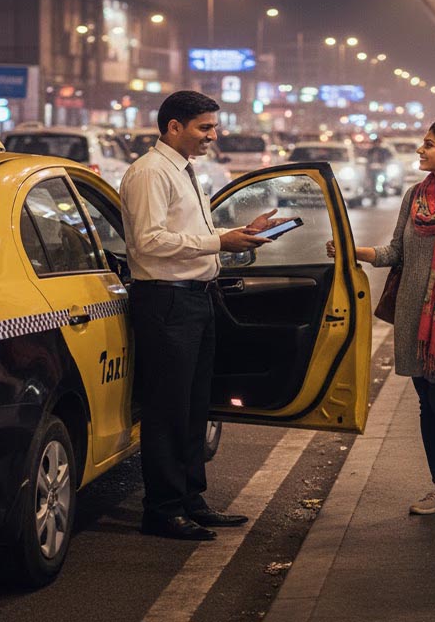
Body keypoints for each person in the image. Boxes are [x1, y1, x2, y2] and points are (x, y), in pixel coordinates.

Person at [121, 90, 282, 541]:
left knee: (194, 407)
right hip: (166, 301)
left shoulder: (184, 170)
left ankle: (191, 499)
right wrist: (219, 243)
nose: (214, 135)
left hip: (196, 297)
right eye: (204, 127)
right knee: (168, 409)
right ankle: (162, 508)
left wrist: (239, 233)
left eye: (213, 126)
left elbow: (189, 231)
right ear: (174, 126)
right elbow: (149, 242)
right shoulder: (150, 173)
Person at [327, 120, 435, 515]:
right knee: (426, 401)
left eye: (429, 144)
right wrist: (356, 251)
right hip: (412, 312)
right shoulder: (416, 196)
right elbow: (396, 252)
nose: (420, 150)